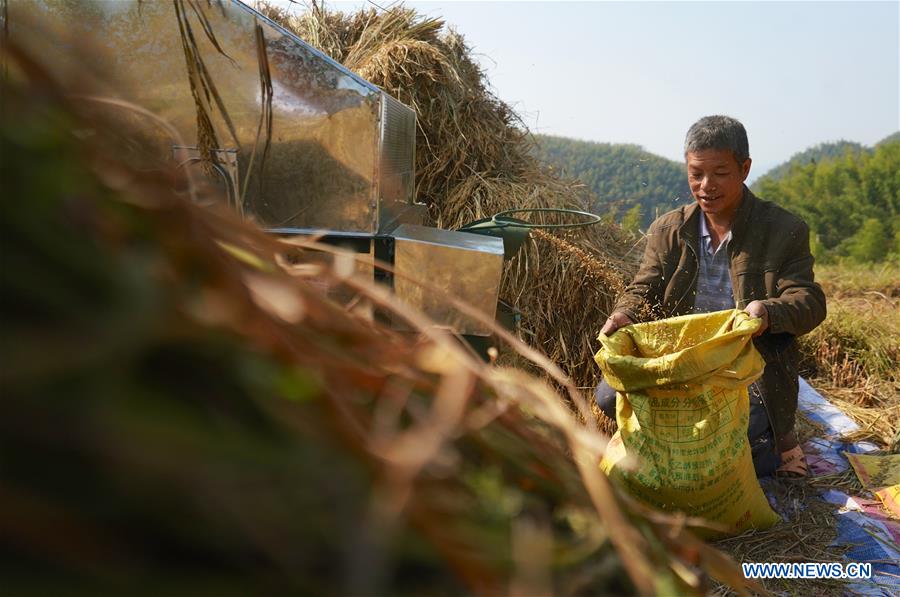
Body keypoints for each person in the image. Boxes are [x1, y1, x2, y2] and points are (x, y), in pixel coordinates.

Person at [596, 115, 826, 477]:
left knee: (734, 425)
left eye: (720, 173)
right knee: (608, 397)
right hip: (680, 359)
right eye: (696, 173)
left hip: (745, 368)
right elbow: (645, 287)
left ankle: (769, 441)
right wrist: (625, 313)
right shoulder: (669, 228)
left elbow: (810, 302)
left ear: (745, 168)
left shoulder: (784, 230)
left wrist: (768, 311)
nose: (706, 186)